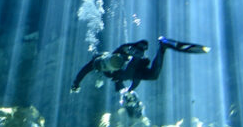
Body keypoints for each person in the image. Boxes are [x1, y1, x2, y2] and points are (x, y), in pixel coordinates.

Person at [71, 37, 209, 116]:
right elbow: (127, 82)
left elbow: (83, 71)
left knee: (127, 73)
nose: (103, 66)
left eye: (102, 64)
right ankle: (163, 47)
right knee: (153, 75)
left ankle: (143, 52)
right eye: (101, 66)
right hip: (137, 67)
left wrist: (76, 84)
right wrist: (130, 89)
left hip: (136, 63)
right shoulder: (110, 68)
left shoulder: (113, 56)